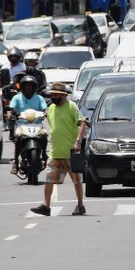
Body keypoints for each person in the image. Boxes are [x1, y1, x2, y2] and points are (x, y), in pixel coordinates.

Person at [30, 82, 88, 217]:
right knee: (49, 180)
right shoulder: (51, 108)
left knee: (77, 181)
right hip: (55, 152)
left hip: (70, 151)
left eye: (56, 95)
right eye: (52, 95)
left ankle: (80, 205)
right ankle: (46, 206)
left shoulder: (71, 107)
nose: (53, 97)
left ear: (63, 96)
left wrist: (78, 141)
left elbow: (83, 123)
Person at [9, 75, 48, 175]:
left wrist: (46, 112)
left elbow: (45, 108)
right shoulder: (17, 98)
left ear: (34, 87)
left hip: (37, 124)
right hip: (21, 125)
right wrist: (13, 112)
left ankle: (44, 154)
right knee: (18, 137)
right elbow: (11, 107)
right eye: (26, 86)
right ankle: (16, 161)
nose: (28, 88)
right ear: (22, 86)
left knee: (44, 135)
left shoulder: (39, 98)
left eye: (30, 86)